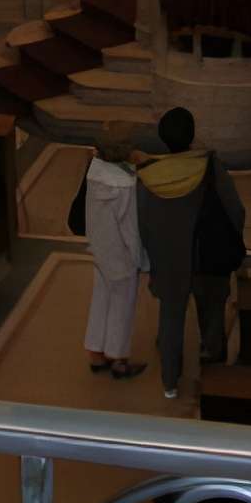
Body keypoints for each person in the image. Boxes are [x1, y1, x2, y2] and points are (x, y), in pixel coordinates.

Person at [133, 108, 246, 400]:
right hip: (206, 256)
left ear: (163, 138)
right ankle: (214, 372)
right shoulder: (210, 167)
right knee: (212, 314)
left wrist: (154, 256)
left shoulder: (148, 177)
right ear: (192, 135)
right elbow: (236, 210)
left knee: (170, 320)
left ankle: (170, 383)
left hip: (170, 260)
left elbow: (143, 225)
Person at [81, 139, 145, 378]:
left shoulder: (95, 174)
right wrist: (140, 259)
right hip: (121, 253)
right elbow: (131, 229)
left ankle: (96, 353)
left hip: (99, 246)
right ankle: (118, 359)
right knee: (122, 305)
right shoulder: (126, 185)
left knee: (101, 299)